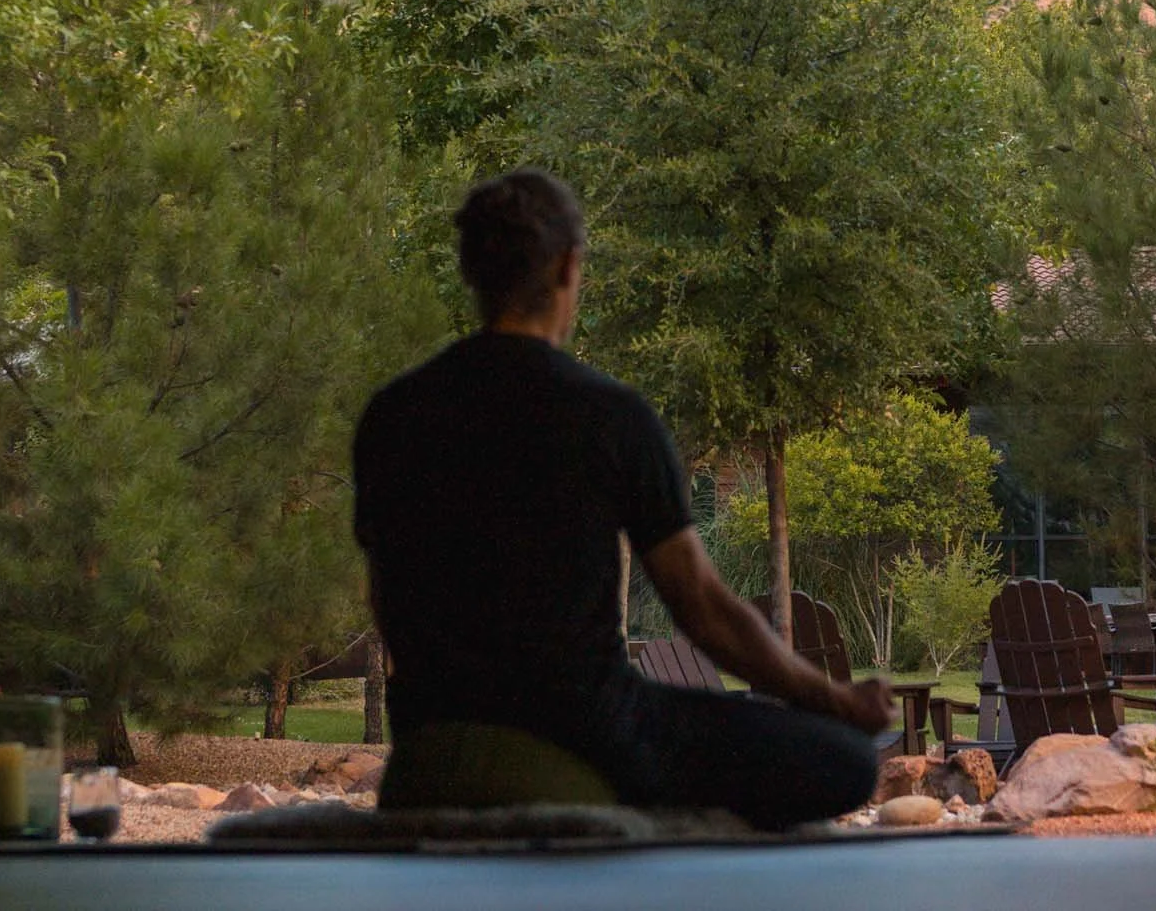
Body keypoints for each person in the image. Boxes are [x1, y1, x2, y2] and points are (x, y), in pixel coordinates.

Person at [353, 167, 892, 829]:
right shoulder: (608, 415)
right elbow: (702, 607)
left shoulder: (393, 414)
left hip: (431, 723)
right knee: (844, 759)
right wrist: (830, 696)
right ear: (567, 267)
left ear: (472, 270)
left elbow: (386, 597)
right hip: (586, 724)